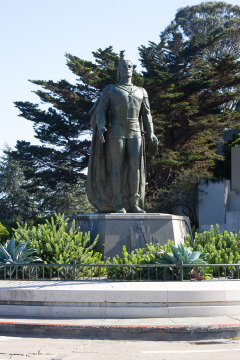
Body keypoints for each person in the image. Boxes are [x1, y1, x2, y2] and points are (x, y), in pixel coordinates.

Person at [86, 60, 158, 213]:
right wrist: (101, 125)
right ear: (119, 70)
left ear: (133, 70)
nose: (127, 69)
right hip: (116, 132)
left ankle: (134, 203)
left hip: (136, 132)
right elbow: (101, 110)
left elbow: (146, 114)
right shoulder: (111, 89)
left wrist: (151, 133)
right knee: (116, 167)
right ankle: (118, 203)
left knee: (135, 166)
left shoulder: (141, 91)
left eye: (130, 66)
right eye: (124, 66)